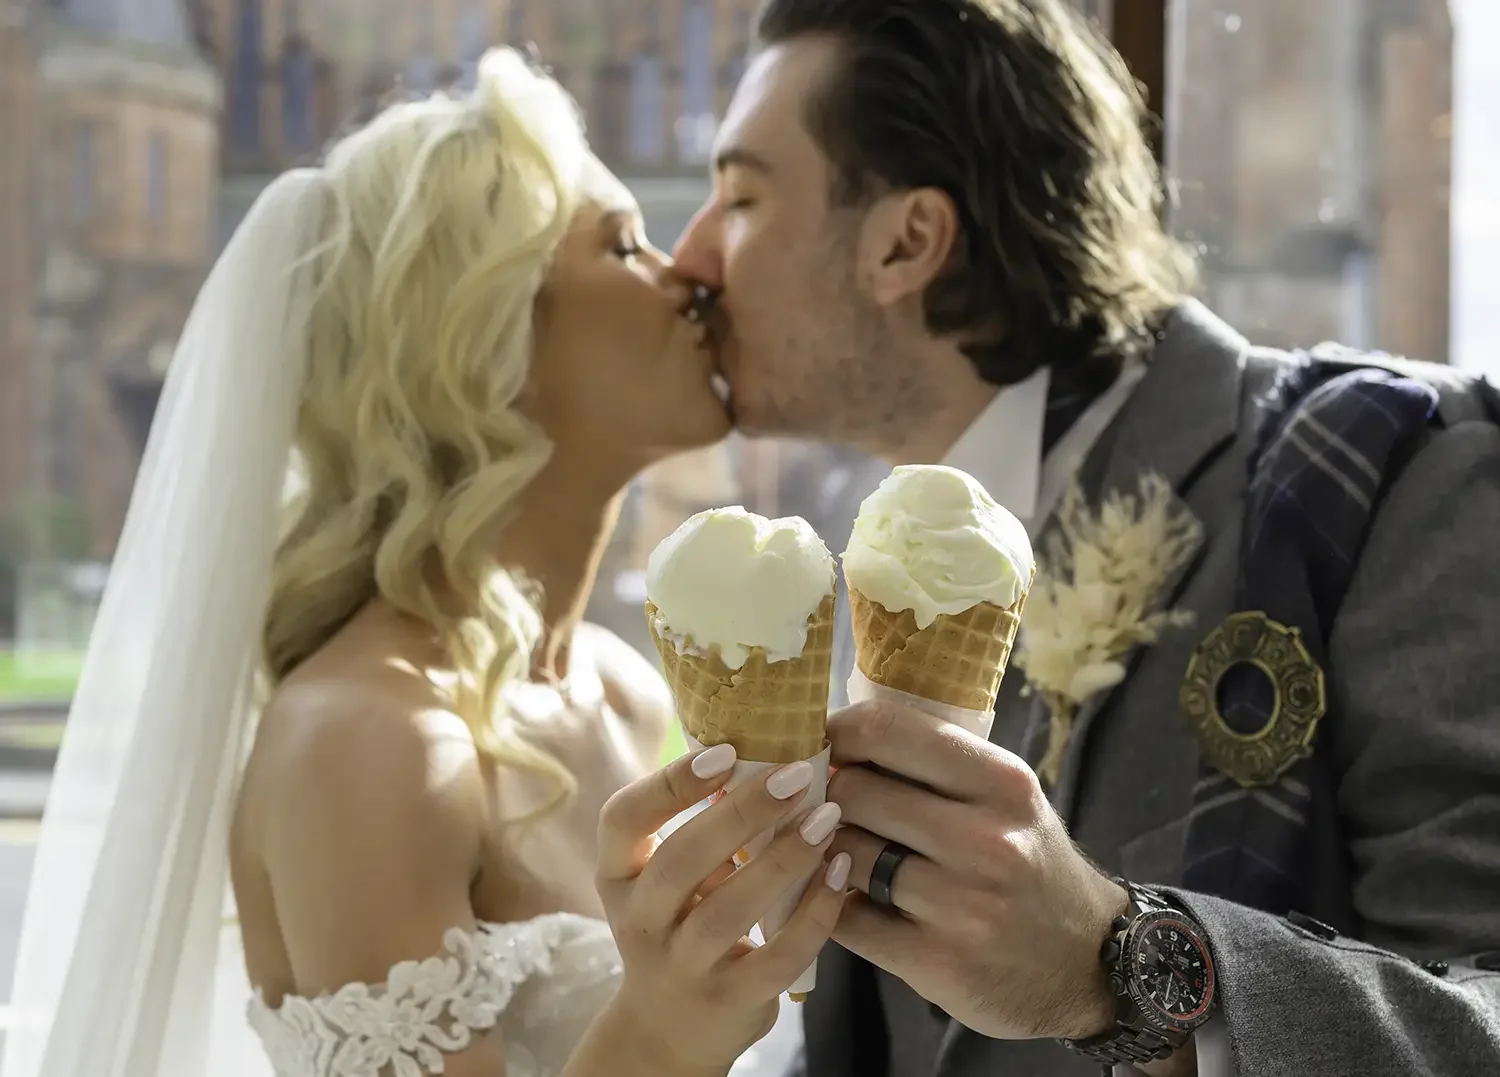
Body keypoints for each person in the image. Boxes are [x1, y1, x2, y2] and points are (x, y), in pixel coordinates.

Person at [670, 1, 1500, 1075]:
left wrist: (1112, 971)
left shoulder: (1395, 469)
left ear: (908, 242)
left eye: (739, 196)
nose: (691, 254)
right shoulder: (851, 580)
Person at [2, 48, 849, 1077]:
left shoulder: (624, 690)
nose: (690, 276)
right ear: (486, 341)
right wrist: (668, 1026)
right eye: (625, 246)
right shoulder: (366, 741)